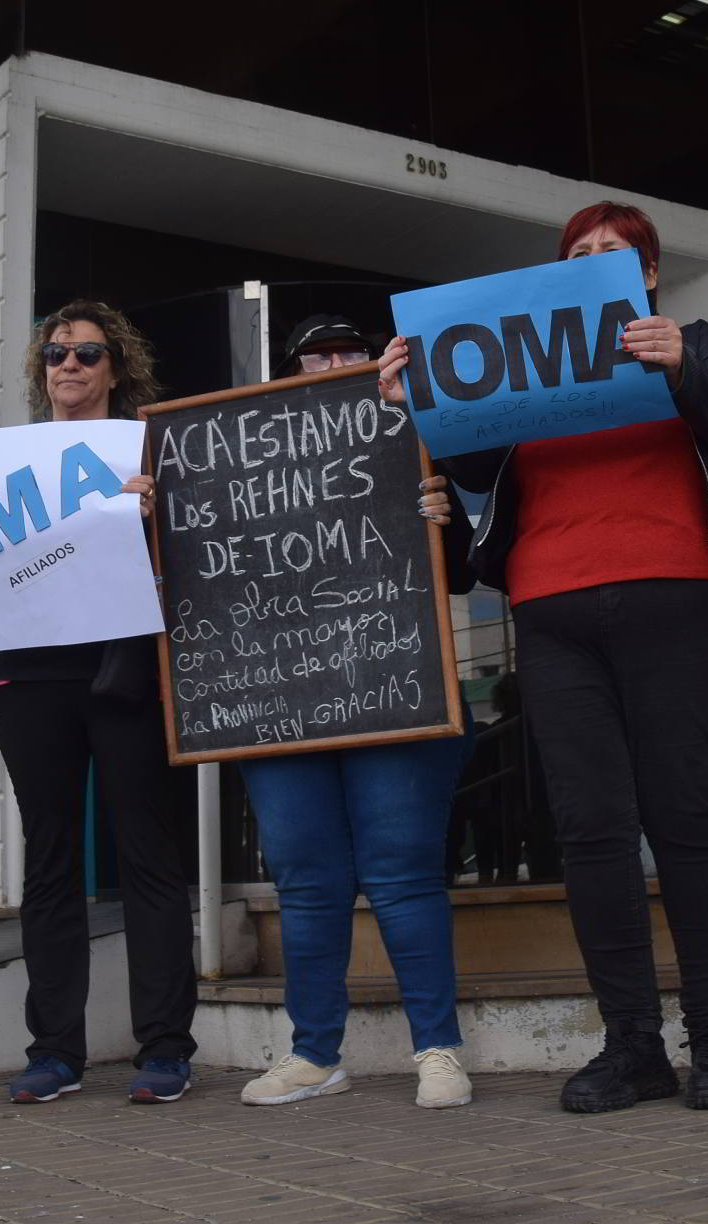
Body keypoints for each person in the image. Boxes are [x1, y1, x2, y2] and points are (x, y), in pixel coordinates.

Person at [380, 201, 708, 1114]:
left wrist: (679, 361)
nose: (596, 260)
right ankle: (632, 1044)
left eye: (614, 252)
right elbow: (475, 471)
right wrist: (422, 402)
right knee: (592, 829)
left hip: (680, 589)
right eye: (578, 253)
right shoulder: (521, 351)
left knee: (685, 816)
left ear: (644, 275)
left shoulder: (698, 337)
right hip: (551, 605)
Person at [235, 314, 478, 1110]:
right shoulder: (237, 460)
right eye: (316, 357)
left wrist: (446, 520)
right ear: (289, 375)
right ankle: (313, 1055)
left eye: (350, 353)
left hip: (396, 684)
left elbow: (467, 573)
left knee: (404, 873)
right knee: (306, 880)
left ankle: (437, 1050)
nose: (333, 366)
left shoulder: (415, 433)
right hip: (280, 696)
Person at [0, 300, 199, 1105]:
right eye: (55, 355)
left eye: (86, 353)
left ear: (117, 365)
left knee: (146, 854)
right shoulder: (1, 464)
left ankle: (165, 1050)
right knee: (47, 863)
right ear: (41, 371)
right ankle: (53, 1051)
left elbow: (203, 562)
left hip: (123, 672)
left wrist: (154, 520)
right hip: (32, 676)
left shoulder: (155, 451)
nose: (69, 367)